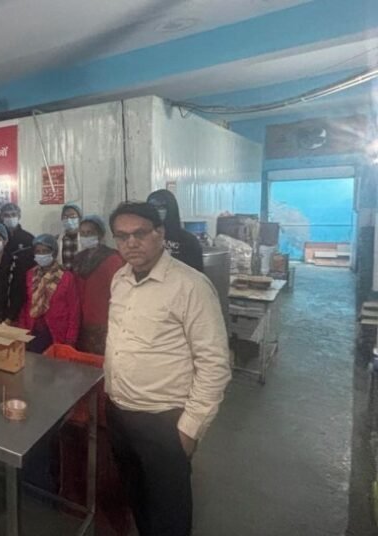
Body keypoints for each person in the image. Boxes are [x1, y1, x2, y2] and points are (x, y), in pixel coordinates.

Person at [105, 202, 230, 536]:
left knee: (169, 514)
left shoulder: (190, 285)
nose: (131, 243)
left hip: (164, 420)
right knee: (138, 501)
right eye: (122, 236)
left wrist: (190, 428)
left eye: (140, 233)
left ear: (159, 233)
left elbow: (215, 364)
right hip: (119, 412)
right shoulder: (120, 279)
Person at [19, 234, 80, 353]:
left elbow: (74, 311)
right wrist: (22, 330)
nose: (41, 254)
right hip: (32, 330)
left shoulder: (66, 277)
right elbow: (25, 305)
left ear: (54, 252)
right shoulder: (30, 275)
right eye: (38, 251)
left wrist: (71, 339)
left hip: (57, 333)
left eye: (45, 251)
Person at [74, 215, 125, 356]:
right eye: (82, 233)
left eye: (89, 233)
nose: (85, 237)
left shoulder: (112, 259)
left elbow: (120, 293)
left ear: (100, 234)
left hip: (104, 322)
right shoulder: (78, 259)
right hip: (81, 322)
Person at [147, 189, 204, 272]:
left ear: (171, 208)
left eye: (161, 207)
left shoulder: (188, 241)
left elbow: (197, 273)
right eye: (152, 207)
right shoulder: (142, 237)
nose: (156, 210)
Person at [57, 203, 83, 271]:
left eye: (73, 216)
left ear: (80, 219)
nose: (68, 219)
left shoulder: (86, 239)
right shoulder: (56, 239)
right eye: (65, 217)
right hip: (64, 276)